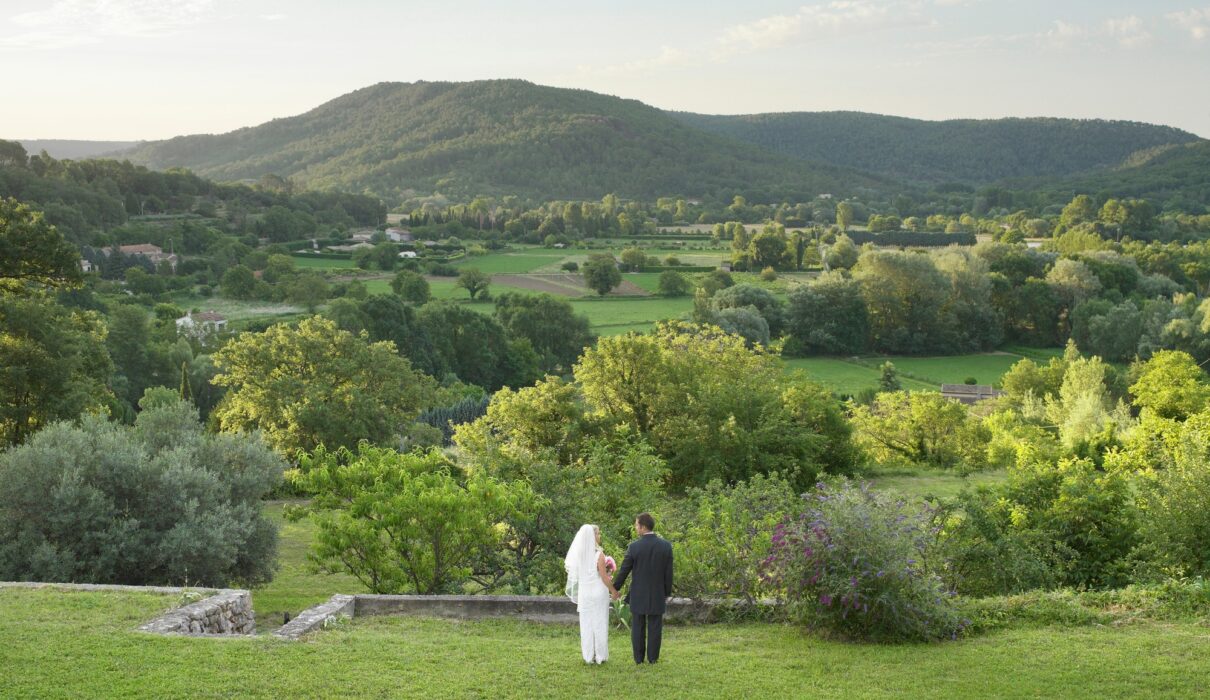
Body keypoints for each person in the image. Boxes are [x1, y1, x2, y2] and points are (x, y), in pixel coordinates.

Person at [611, 512, 674, 664]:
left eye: (637, 525)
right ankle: (653, 658)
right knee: (655, 627)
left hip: (638, 593)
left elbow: (624, 571)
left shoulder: (634, 547)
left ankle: (639, 659)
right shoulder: (666, 546)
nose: (635, 527)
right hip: (657, 592)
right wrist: (666, 592)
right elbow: (668, 573)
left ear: (643, 527)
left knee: (637, 627)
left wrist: (614, 588)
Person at [564, 524, 619, 664]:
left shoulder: (579, 554)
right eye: (598, 534)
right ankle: (600, 655)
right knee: (599, 622)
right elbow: (603, 577)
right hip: (598, 592)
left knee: (586, 623)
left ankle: (588, 656)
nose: (599, 536)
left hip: (585, 593)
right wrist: (613, 591)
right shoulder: (598, 554)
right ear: (592, 536)